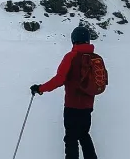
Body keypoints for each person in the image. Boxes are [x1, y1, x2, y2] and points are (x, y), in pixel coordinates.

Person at [30, 26, 106, 159]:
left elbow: (59, 79)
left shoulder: (71, 56)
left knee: (71, 139)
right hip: (88, 107)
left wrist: (40, 88)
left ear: (74, 40)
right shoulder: (96, 58)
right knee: (84, 135)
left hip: (72, 107)